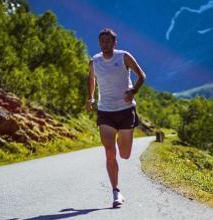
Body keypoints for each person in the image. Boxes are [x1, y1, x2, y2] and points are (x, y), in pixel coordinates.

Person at [85, 28, 146, 208]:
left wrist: (133, 91)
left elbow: (142, 76)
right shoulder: (94, 62)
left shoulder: (124, 57)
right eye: (102, 41)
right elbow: (91, 80)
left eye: (108, 41)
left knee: (125, 154)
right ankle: (116, 192)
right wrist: (91, 97)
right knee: (110, 152)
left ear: (114, 43)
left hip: (126, 110)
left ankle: (122, 140)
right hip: (105, 112)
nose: (104, 44)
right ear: (99, 43)